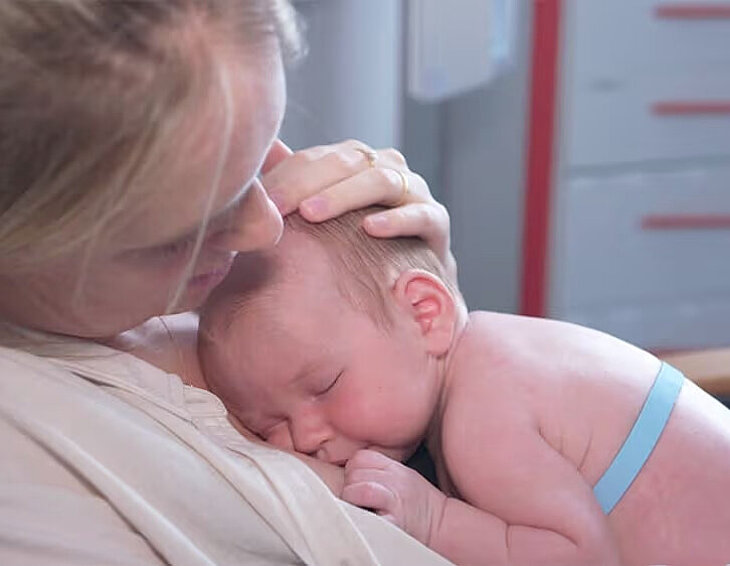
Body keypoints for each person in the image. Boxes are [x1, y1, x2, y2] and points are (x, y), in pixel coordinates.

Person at [0, 2, 459, 565]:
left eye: (261, 157)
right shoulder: (35, 485)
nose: (266, 227)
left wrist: (448, 366)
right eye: (189, 233)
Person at [198, 206, 730, 566]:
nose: (305, 437)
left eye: (324, 385)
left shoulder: (482, 417)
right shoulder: (498, 348)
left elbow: (580, 557)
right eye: (268, 425)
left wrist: (432, 518)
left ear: (424, 313)